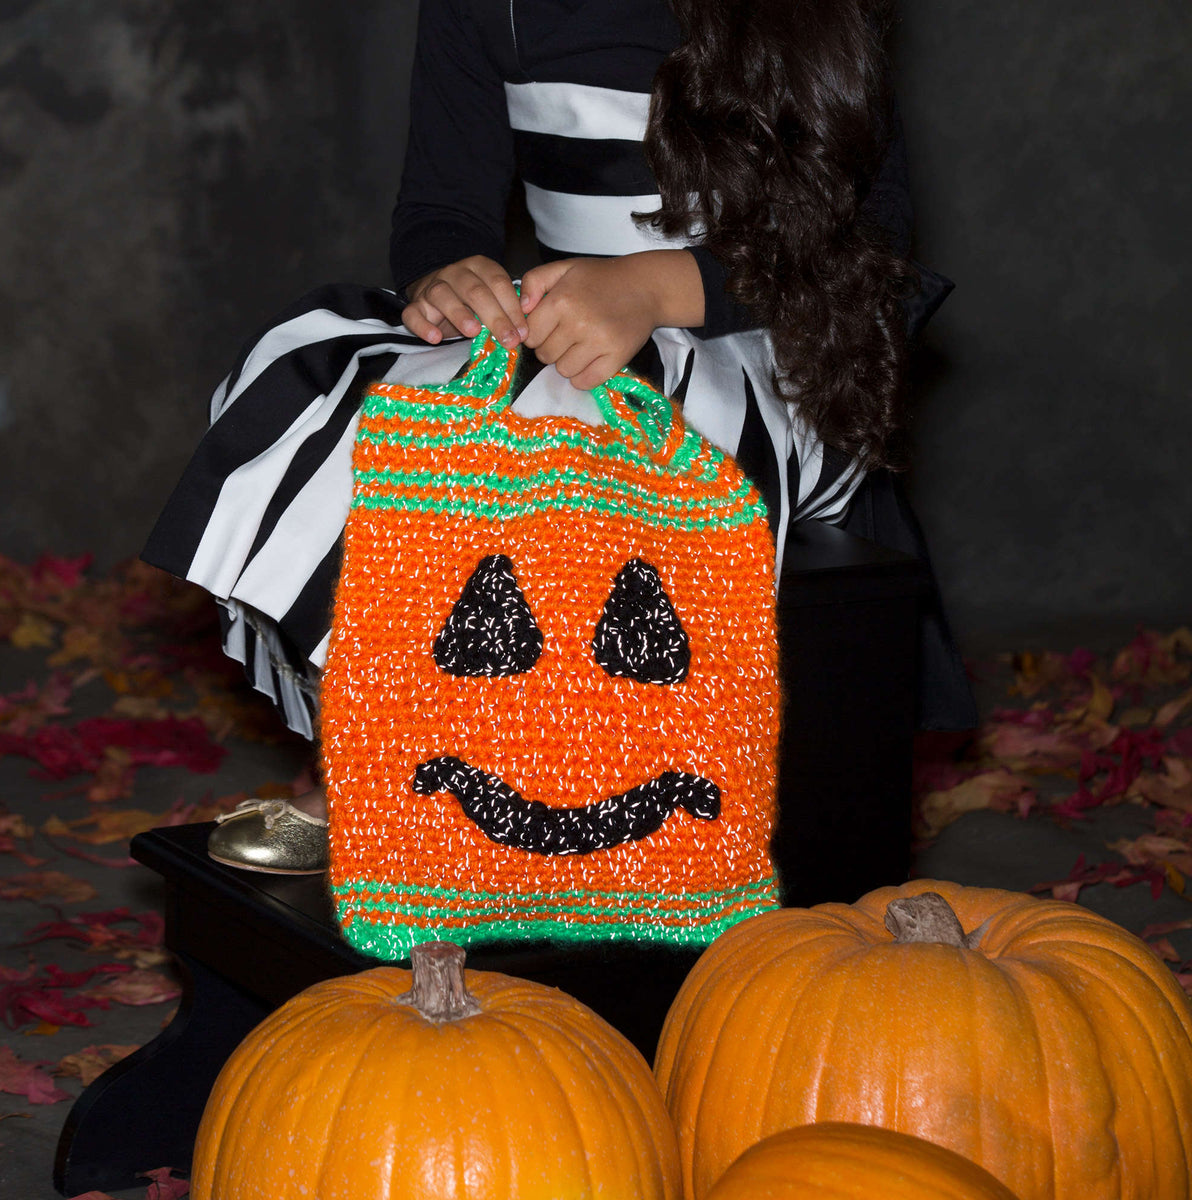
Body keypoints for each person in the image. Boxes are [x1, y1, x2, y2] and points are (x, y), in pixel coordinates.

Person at [142, 0, 975, 874]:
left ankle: (523, 781)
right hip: (566, 329)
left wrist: (655, 291)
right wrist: (452, 277)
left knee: (557, 429)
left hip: (766, 344)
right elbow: (440, 206)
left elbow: (876, 244)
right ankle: (387, 746)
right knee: (313, 369)